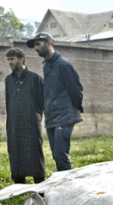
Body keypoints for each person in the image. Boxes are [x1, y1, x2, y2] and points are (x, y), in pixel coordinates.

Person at [27, 32, 83, 172]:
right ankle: (64, 182)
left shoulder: (63, 64)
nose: (35, 48)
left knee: (60, 155)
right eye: (34, 45)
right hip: (51, 117)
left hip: (64, 116)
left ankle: (68, 184)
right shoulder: (47, 66)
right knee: (56, 155)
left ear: (49, 43)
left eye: (38, 44)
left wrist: (78, 108)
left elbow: (76, 88)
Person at [4, 48, 45, 185]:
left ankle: (40, 187)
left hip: (31, 123)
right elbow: (8, 103)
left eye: (12, 59)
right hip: (14, 124)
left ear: (22, 60)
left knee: (35, 153)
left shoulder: (35, 78)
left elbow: (42, 102)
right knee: (16, 153)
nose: (10, 62)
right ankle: (19, 186)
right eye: (8, 59)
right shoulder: (8, 80)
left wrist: (35, 117)